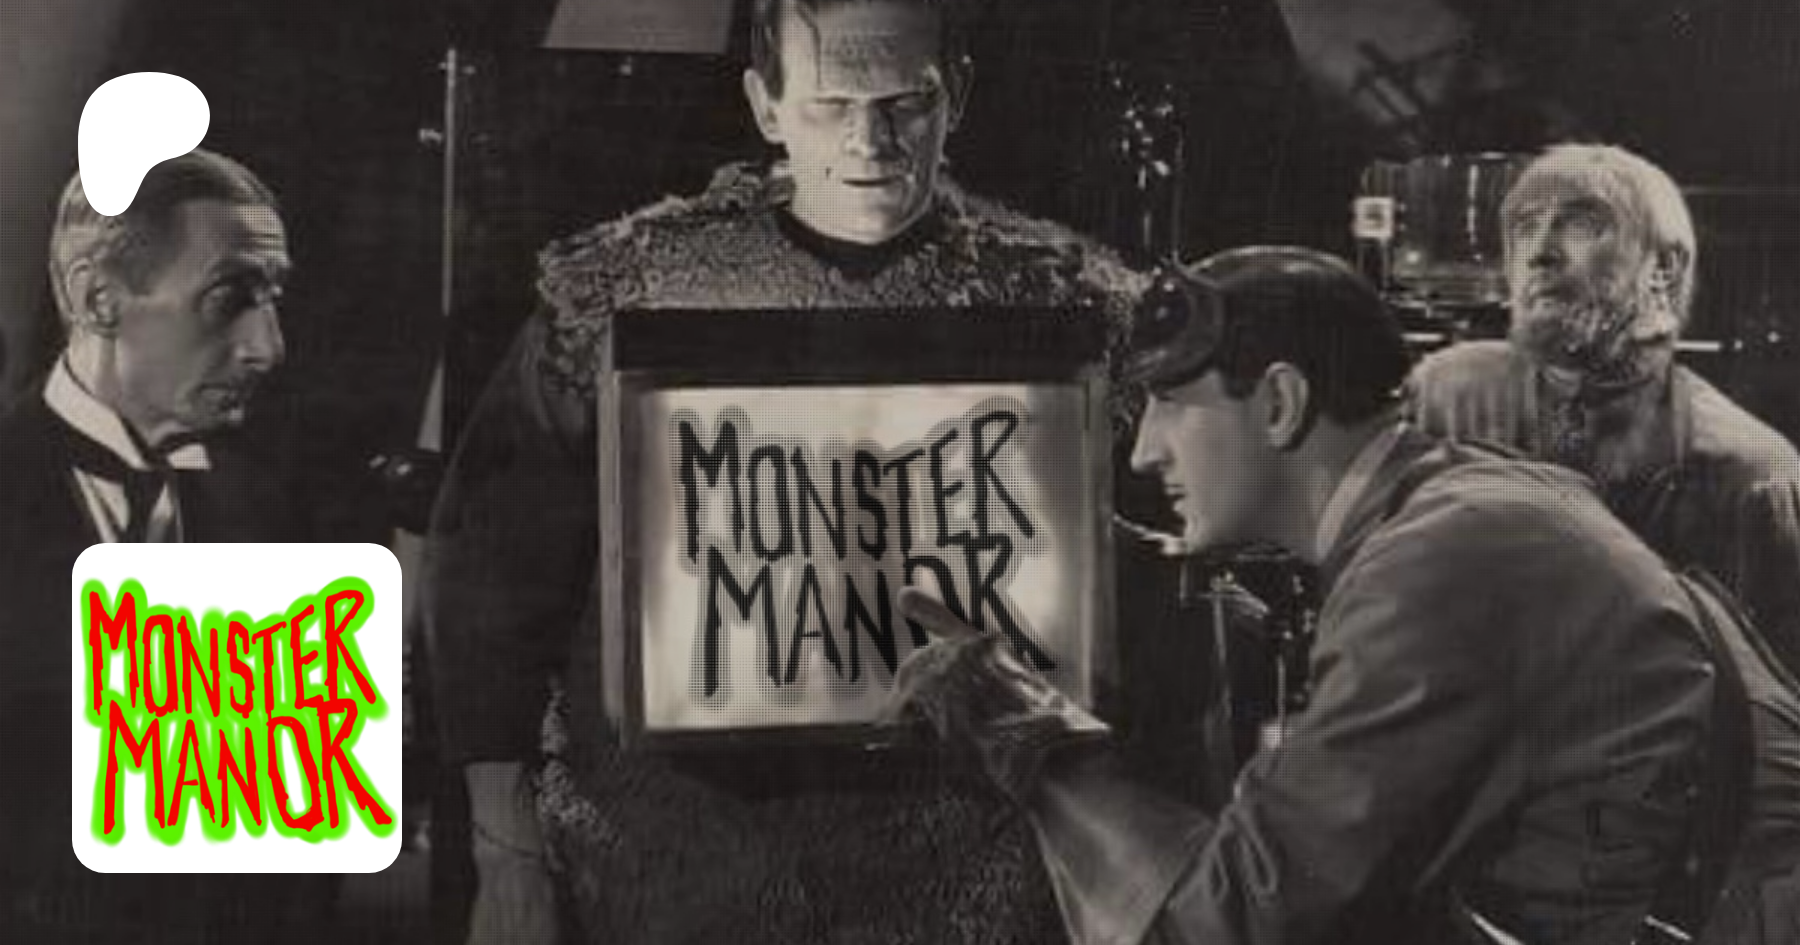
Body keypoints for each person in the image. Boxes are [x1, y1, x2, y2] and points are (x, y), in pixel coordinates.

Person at [426, 1, 1147, 942]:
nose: (869, 141)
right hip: (684, 872)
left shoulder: (1071, 303)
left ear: (958, 96)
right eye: (830, 105)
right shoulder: (619, 295)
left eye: (905, 103)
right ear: (766, 105)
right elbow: (487, 580)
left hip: (976, 875)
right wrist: (507, 853)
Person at [887, 245, 1749, 944]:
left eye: (1172, 402)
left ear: (1280, 402)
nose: (1144, 449)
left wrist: (1029, 735)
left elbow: (1227, 926)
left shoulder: (1432, 569)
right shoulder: (1462, 501)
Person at [0, 149, 320, 939]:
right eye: (229, 298)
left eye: (273, 299)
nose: (268, 346)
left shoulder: (264, 510)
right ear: (98, 297)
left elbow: (289, 843)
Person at [1408, 144, 1800, 684]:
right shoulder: (1445, 397)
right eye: (1525, 227)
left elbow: (1776, 706)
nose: (1538, 253)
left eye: (1581, 225)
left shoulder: (1751, 477)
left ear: (1663, 268)